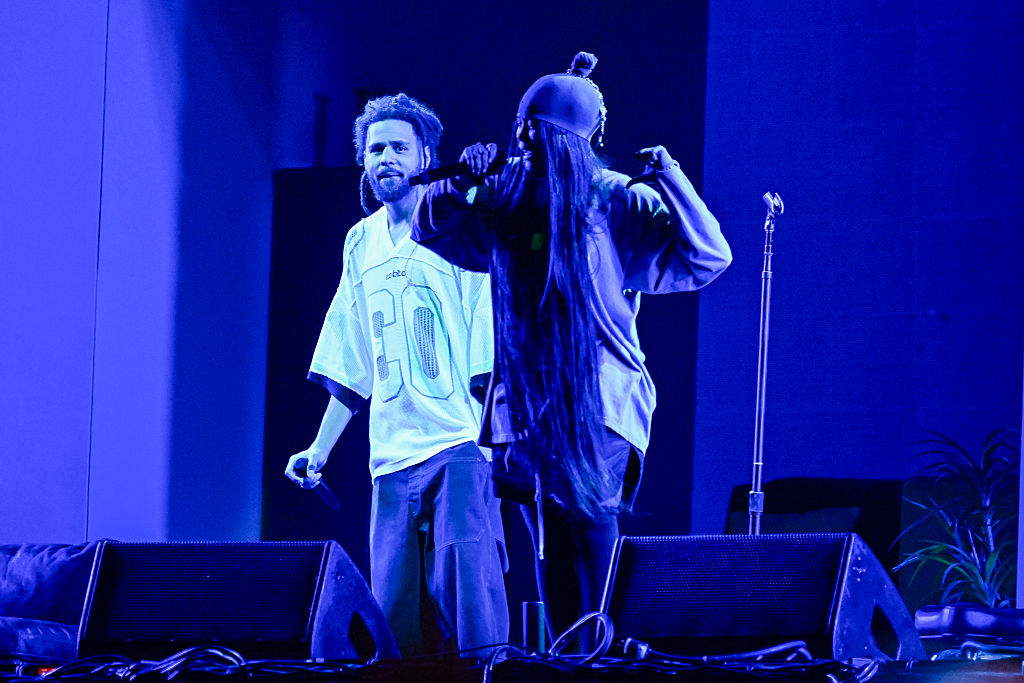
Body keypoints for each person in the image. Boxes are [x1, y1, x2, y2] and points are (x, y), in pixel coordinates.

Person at [412, 53, 732, 646]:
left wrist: (670, 178)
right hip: (524, 411)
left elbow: (709, 256)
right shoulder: (507, 198)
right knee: (550, 549)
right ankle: (565, 663)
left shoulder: (615, 200)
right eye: (522, 133)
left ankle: (597, 661)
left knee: (590, 534)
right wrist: (461, 183)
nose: (525, 143)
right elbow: (429, 229)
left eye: (536, 132)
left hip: (598, 407)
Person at [284, 93, 508, 658]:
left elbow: (487, 338)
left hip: (458, 448)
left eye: (399, 148)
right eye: (375, 149)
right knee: (395, 628)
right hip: (389, 464)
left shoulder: (459, 227)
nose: (385, 158)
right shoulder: (360, 242)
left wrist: (499, 445)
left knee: (473, 619)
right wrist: (319, 449)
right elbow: (353, 353)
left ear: (425, 155)